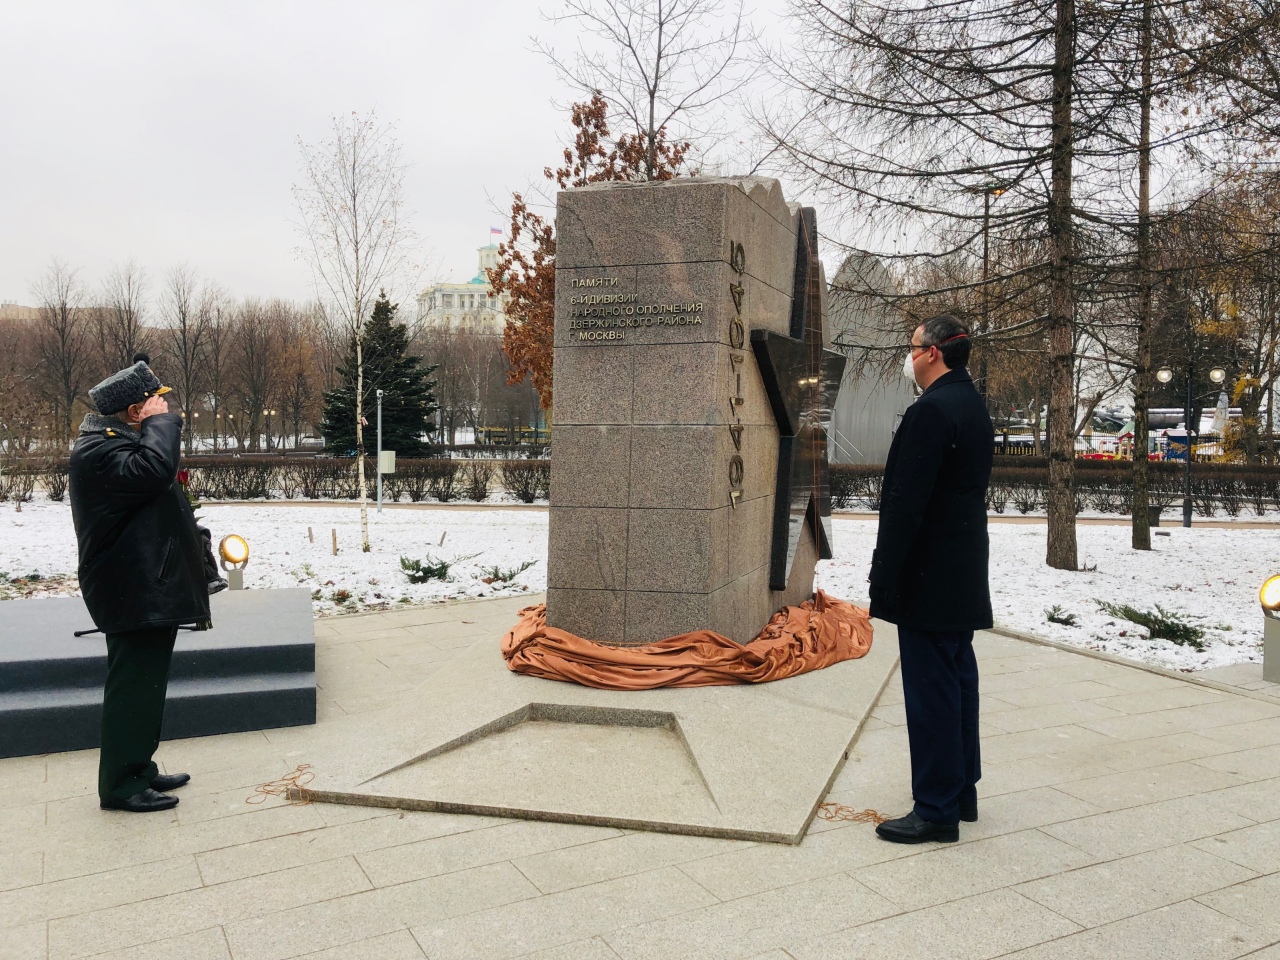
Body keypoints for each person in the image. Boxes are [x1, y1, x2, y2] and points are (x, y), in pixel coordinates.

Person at [868, 314, 993, 844]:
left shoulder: (932, 410)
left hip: (928, 572)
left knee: (932, 690)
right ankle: (960, 791)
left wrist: (883, 575)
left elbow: (905, 504)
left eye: (913, 346)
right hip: (958, 567)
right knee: (957, 678)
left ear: (934, 353)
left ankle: (936, 808)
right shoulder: (971, 403)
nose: (909, 354)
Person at [69, 360, 211, 813]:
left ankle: (138, 768)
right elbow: (154, 470)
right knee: (133, 688)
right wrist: (161, 423)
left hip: (145, 585)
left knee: (145, 686)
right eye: (155, 401)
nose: (165, 404)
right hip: (132, 589)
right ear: (135, 411)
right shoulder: (100, 451)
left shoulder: (117, 446)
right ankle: (121, 785)